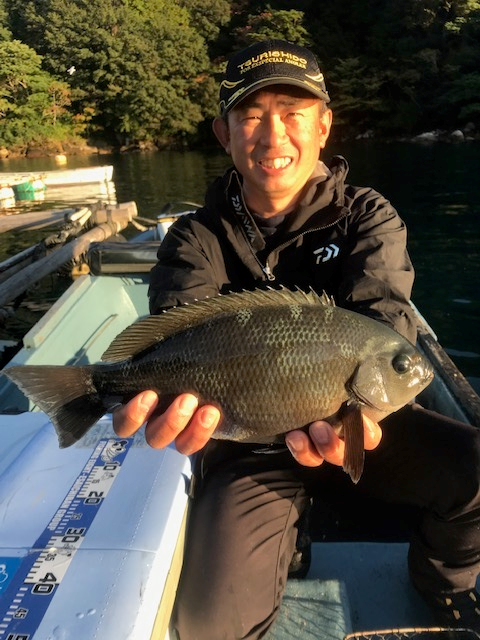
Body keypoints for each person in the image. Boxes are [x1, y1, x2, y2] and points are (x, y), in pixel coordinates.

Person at [113, 39, 480, 639]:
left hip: (363, 425)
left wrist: (372, 416)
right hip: (247, 443)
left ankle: (441, 584)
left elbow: (385, 320)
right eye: (251, 115)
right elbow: (181, 327)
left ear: (324, 124)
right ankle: (286, 534)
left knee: (476, 467)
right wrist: (164, 402)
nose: (273, 135)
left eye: (293, 112)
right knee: (210, 624)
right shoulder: (194, 238)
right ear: (224, 133)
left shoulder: (369, 216)